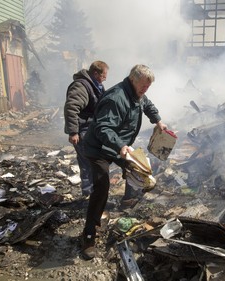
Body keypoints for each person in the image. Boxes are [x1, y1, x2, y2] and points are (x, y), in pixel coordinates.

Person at [80, 64, 167, 260]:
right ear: (133, 79)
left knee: (142, 174)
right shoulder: (116, 98)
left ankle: (126, 202)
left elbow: (147, 104)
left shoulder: (137, 92)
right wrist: (120, 145)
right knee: (102, 187)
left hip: (119, 146)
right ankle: (88, 236)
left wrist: (158, 121)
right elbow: (103, 128)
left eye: (148, 87)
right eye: (143, 86)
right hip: (99, 148)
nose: (145, 90)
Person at [64, 61, 109, 196]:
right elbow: (71, 108)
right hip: (82, 131)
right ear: (96, 73)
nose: (105, 79)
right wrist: (73, 132)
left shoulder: (95, 85)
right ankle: (89, 195)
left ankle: (93, 193)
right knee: (88, 163)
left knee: (93, 162)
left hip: (91, 130)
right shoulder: (82, 86)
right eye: (104, 76)